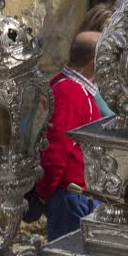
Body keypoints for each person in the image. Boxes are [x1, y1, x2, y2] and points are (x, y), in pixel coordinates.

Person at [35, 32, 106, 240]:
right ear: (94, 61)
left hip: (76, 197)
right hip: (70, 199)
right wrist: (44, 192)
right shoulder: (70, 92)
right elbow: (56, 149)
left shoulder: (70, 86)